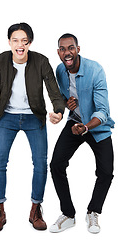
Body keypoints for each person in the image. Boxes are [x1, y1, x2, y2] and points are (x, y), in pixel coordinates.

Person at [0, 22, 65, 232]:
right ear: (9, 42)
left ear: (30, 43)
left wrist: (58, 111)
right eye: (15, 40)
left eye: (24, 41)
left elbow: (54, 92)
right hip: (7, 117)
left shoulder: (41, 61)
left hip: (34, 117)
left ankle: (35, 209)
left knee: (41, 163)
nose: (20, 45)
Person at [49, 33, 115, 234]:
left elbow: (103, 111)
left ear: (78, 49)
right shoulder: (60, 70)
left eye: (71, 48)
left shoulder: (95, 70)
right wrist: (65, 106)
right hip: (74, 123)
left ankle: (93, 211)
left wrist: (86, 127)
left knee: (105, 172)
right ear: (58, 52)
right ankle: (68, 215)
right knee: (56, 165)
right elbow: (61, 97)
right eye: (63, 49)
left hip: (96, 127)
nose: (67, 52)